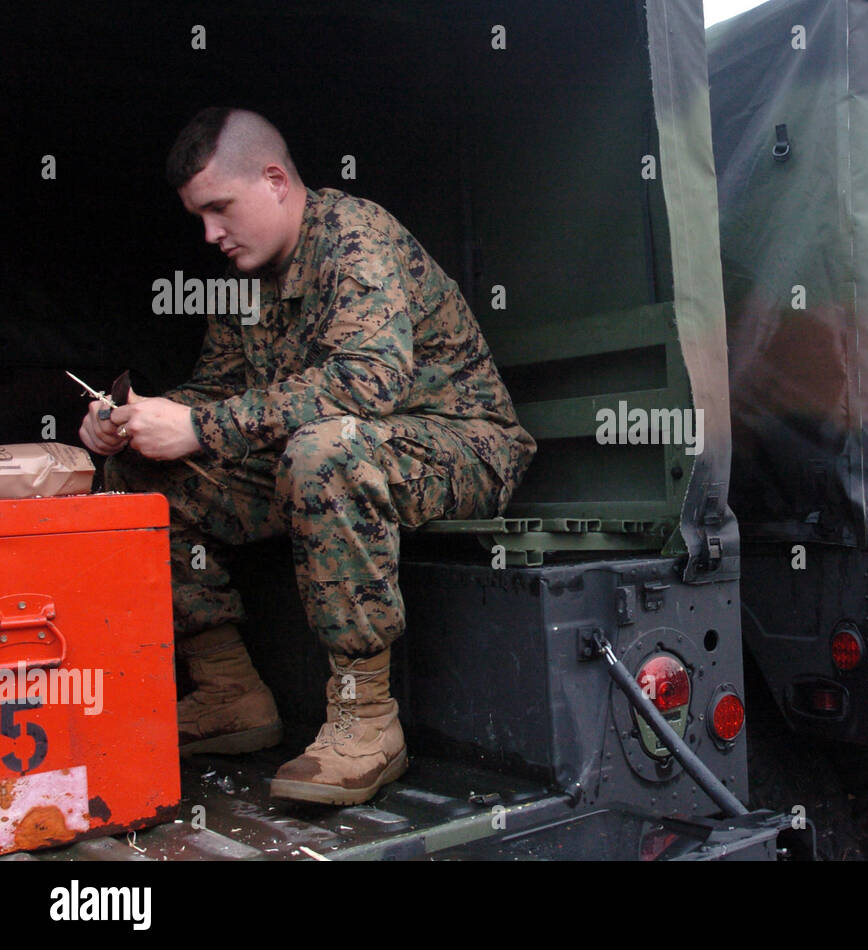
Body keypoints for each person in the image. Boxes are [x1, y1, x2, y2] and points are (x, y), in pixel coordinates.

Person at [78, 107, 536, 805]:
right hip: (339, 448)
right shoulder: (245, 283)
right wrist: (138, 422)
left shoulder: (353, 235)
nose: (210, 234)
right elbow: (220, 392)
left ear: (273, 179)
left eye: (219, 209)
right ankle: (230, 692)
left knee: (327, 448)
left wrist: (200, 425)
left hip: (459, 442)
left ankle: (367, 721)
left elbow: (367, 382)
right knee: (141, 475)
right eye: (198, 217)